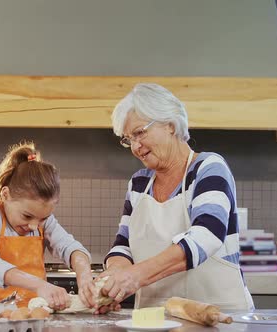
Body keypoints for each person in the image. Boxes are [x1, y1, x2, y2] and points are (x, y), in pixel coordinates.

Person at [98, 83, 254, 311]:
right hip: (155, 319)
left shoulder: (208, 167)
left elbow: (207, 234)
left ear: (170, 125)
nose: (135, 145)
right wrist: (113, 277)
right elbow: (123, 246)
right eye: (128, 139)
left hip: (217, 316)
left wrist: (136, 276)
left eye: (140, 133)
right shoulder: (138, 183)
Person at [0, 142, 97, 310]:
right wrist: (39, 285)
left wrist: (85, 276)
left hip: (37, 316)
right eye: (27, 216)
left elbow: (69, 246)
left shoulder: (40, 220)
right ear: (5, 194)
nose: (34, 225)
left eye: (43, 218)